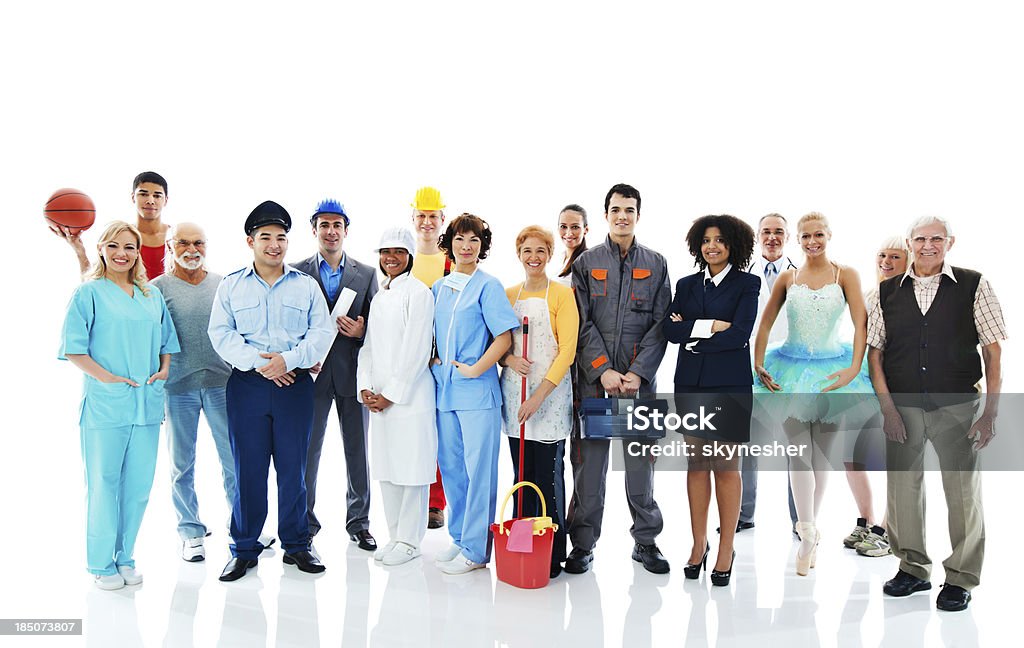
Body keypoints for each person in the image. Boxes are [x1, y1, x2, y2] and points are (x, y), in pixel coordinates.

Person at [868, 216, 1005, 612]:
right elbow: (875, 355)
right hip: (903, 406)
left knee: (963, 494)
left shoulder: (974, 284)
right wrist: (888, 410)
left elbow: (993, 351)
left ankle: (961, 578)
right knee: (901, 491)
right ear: (909, 243)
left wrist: (990, 413)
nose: (928, 245)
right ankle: (912, 569)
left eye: (936, 239)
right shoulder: (886, 292)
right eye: (920, 239)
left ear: (950, 242)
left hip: (958, 406)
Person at [209, 201, 335, 582]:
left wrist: (289, 360)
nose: (274, 245)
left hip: (294, 386)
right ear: (251, 241)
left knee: (294, 468)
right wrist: (261, 363)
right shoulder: (231, 285)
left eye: (281, 238)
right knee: (248, 469)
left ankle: (297, 545)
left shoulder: (306, 285)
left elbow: (322, 332)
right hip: (247, 386)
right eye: (266, 237)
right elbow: (221, 334)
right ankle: (244, 547)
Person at [59, 221, 180, 590]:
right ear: (101, 249)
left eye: (129, 247)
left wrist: (162, 371)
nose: (121, 254)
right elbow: (73, 349)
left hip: (146, 404)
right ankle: (101, 564)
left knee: (139, 486)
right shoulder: (88, 293)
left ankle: (125, 556)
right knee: (103, 484)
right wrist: (107, 378)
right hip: (106, 407)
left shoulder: (150, 295)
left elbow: (167, 344)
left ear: (138, 252)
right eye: (114, 246)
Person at [754, 211, 873, 576]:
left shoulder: (846, 275)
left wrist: (854, 369)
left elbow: (860, 324)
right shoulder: (789, 278)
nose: (811, 242)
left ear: (829, 235)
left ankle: (811, 528)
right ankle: (806, 531)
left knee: (821, 457)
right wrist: (759, 362)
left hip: (832, 372)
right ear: (797, 240)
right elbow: (766, 324)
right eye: (805, 236)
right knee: (798, 453)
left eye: (818, 235)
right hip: (790, 371)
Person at [566, 183, 672, 575]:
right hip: (596, 384)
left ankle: (646, 542)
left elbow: (661, 325)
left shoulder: (657, 263)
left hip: (637, 387)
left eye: (630, 209)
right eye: (615, 209)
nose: (622, 216)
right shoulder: (586, 262)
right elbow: (579, 321)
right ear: (606, 214)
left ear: (638, 215)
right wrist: (603, 370)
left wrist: (636, 374)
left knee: (641, 466)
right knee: (589, 468)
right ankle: (582, 544)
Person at [152, 222, 275, 562]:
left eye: (199, 243)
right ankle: (190, 531)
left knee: (235, 460)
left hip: (223, 385)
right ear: (170, 247)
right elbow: (150, 340)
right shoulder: (156, 288)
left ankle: (244, 526)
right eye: (184, 243)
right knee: (181, 464)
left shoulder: (223, 285)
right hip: (178, 388)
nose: (192, 249)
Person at [664, 215, 759, 587]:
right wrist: (709, 326)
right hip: (690, 384)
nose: (712, 246)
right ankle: (699, 542)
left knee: (726, 467)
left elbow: (739, 335)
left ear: (733, 244)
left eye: (719, 240)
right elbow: (670, 330)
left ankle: (726, 548)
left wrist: (694, 331)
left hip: (729, 386)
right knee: (697, 465)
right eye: (706, 240)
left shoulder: (747, 283)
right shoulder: (687, 285)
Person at [430, 213, 519, 574]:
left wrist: (476, 369)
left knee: (478, 471)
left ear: (482, 247)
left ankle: (478, 551)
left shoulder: (488, 286)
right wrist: (436, 361)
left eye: (475, 241)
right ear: (449, 243)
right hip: (444, 391)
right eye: (460, 239)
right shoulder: (439, 287)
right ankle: (460, 536)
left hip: (477, 392)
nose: (467, 247)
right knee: (451, 468)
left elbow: (504, 337)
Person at [293, 199, 379, 552]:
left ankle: (359, 523)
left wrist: (361, 333)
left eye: (337, 225)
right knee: (306, 452)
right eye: (324, 225)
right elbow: (289, 324)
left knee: (357, 451)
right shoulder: (296, 272)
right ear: (314, 229)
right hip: (310, 376)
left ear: (346, 230)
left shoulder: (367, 273)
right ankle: (304, 523)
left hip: (352, 374)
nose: (331, 231)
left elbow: (379, 327)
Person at [498, 226, 579, 579]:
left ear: (549, 254)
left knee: (547, 477)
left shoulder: (562, 295)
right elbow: (498, 342)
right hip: (515, 396)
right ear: (519, 254)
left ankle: (552, 552)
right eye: (527, 250)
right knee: (521, 474)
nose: (534, 257)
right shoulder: (507, 294)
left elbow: (568, 351)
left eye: (541, 251)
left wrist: (539, 396)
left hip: (549, 397)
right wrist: (508, 361)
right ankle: (522, 544)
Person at [357, 227, 437, 565]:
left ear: (409, 257)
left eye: (398, 251)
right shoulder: (379, 296)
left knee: (412, 469)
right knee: (388, 468)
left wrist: (390, 394)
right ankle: (394, 536)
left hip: (410, 398)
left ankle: (410, 540)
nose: (391, 257)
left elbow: (416, 351)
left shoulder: (419, 293)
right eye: (385, 251)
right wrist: (366, 387)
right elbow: (370, 346)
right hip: (380, 401)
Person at [842, 236, 909, 558]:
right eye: (882, 255)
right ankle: (866, 520)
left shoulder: (913, 297)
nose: (886, 261)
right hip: (868, 387)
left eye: (895, 256)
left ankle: (887, 529)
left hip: (903, 387)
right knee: (852, 457)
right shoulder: (870, 295)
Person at [741, 213, 798, 533]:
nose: (772, 237)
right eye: (766, 232)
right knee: (748, 445)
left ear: (787, 237)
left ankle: (799, 519)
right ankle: (744, 514)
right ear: (758, 236)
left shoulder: (802, 275)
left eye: (779, 232)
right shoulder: (742, 274)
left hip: (792, 371)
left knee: (798, 446)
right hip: (752, 368)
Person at [408, 186, 450, 529]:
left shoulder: (452, 260)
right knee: (414, 431)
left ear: (442, 220)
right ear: (413, 218)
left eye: (432, 216)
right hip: (411, 360)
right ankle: (413, 499)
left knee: (444, 432)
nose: (426, 222)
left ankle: (437, 503)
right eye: (421, 216)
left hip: (444, 361)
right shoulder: (401, 258)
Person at [53, 171, 172, 279]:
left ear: (165, 200)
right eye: (143, 194)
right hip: (128, 302)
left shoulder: (176, 238)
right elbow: (92, 282)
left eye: (157, 195)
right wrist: (79, 250)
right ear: (133, 197)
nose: (150, 200)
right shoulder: (120, 235)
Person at [556, 204, 589, 283]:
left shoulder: (588, 261)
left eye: (575, 227)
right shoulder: (557, 258)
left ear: (586, 230)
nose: (568, 233)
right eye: (563, 226)